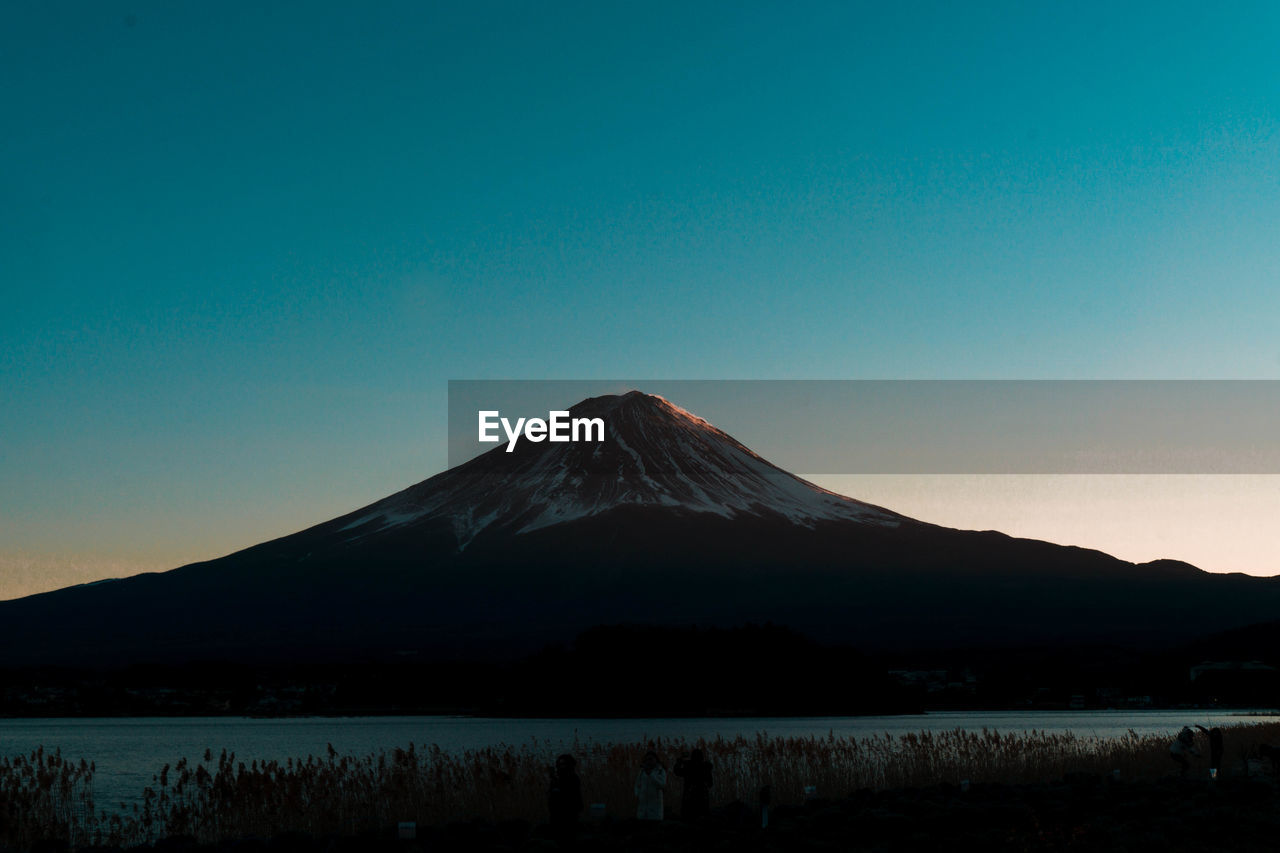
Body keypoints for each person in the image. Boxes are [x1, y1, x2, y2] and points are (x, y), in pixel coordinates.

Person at [548, 753, 583, 843]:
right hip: (557, 818)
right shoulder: (558, 780)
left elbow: (566, 795)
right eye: (559, 765)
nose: (561, 768)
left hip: (569, 818)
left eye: (564, 765)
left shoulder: (573, 779)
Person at [673, 748, 713, 819]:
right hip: (702, 799)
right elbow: (710, 784)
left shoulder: (688, 767)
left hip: (689, 799)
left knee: (688, 819)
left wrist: (679, 762)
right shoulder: (706, 767)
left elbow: (677, 771)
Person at [634, 750, 667, 821]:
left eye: (651, 759)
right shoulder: (642, 771)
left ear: (656, 760)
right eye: (647, 759)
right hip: (642, 808)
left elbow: (662, 785)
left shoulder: (660, 771)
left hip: (655, 808)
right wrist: (637, 794)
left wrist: (651, 774)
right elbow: (637, 784)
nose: (649, 761)